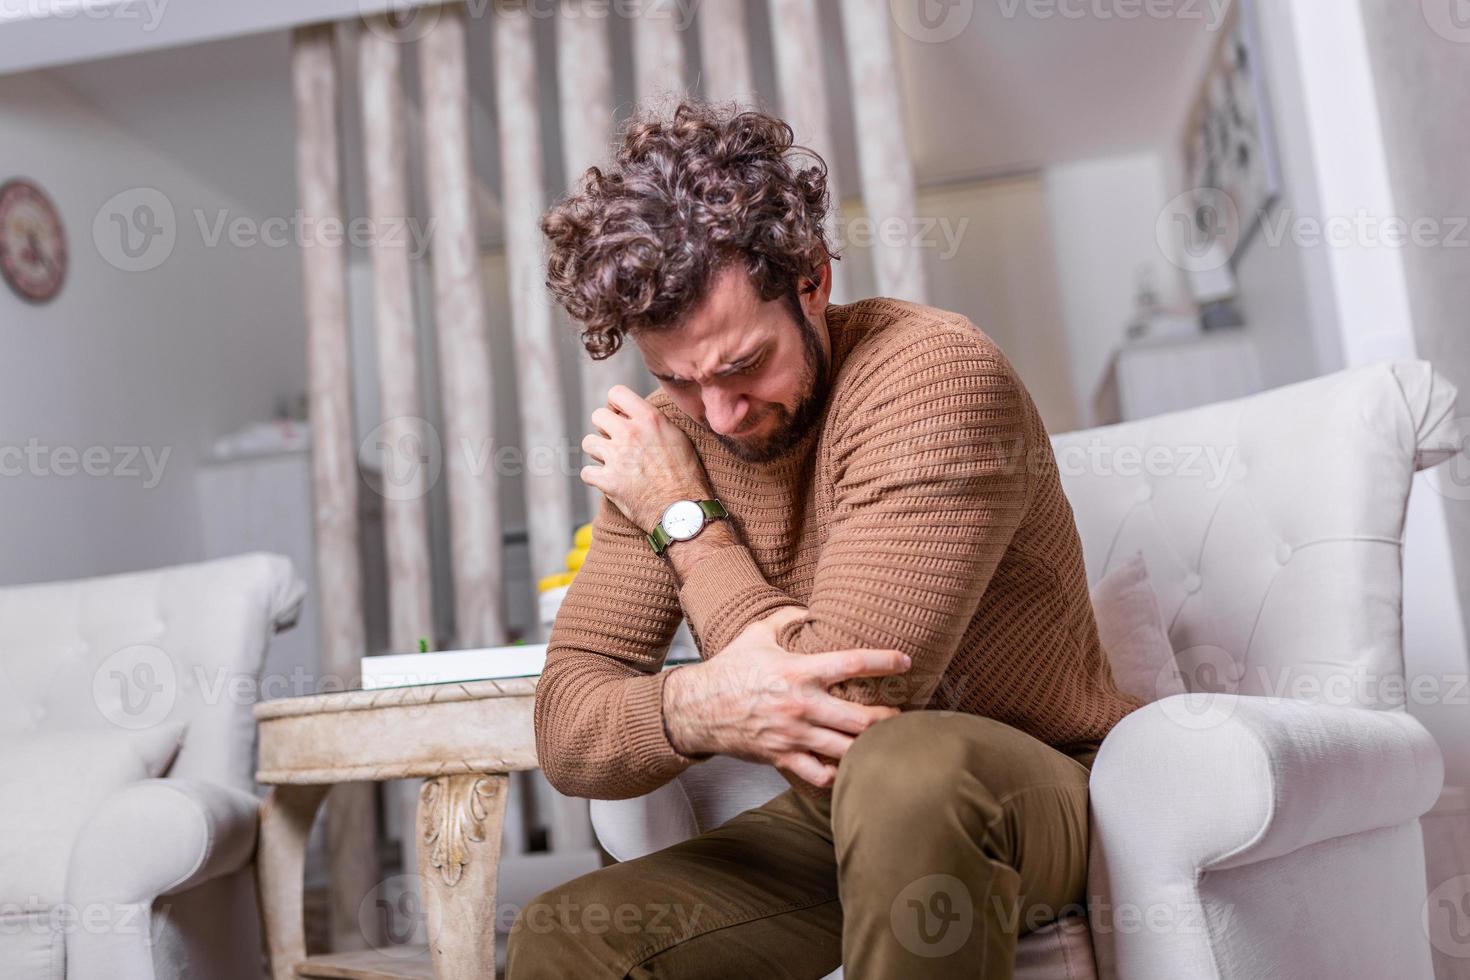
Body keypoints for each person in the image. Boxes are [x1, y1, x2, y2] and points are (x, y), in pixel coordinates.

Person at [505, 101, 1141, 979]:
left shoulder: (933, 375)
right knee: (565, 933)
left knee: (901, 767)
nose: (717, 414)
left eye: (742, 365)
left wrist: (687, 522)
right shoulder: (665, 443)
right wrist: (693, 708)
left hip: (1034, 789)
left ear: (811, 278)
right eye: (677, 381)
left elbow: (843, 702)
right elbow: (566, 727)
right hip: (835, 814)